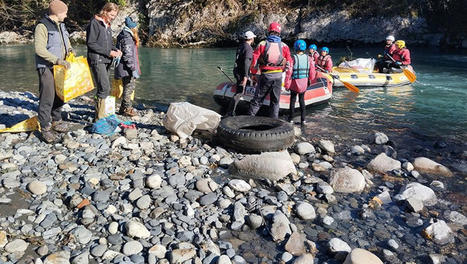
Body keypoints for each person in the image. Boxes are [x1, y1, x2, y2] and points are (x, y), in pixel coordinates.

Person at [34, 0, 73, 143]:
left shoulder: (61, 25)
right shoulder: (42, 26)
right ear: (57, 13)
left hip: (60, 68)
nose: (66, 15)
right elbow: (39, 49)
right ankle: (44, 127)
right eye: (65, 12)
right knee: (47, 97)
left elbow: (66, 42)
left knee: (60, 94)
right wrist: (57, 60)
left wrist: (70, 50)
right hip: (46, 67)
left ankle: (56, 120)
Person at [248, 22, 293, 119]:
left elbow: (254, 61)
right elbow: (289, 64)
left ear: (269, 31)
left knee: (257, 100)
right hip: (278, 76)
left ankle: (249, 119)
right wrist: (287, 80)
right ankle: (274, 122)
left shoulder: (262, 44)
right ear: (279, 32)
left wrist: (253, 74)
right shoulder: (284, 46)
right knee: (275, 102)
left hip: (266, 75)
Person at [86, 2, 122, 120]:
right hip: (97, 60)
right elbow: (91, 43)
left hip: (106, 60)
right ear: (105, 11)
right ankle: (99, 118)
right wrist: (109, 53)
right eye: (111, 15)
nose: (113, 17)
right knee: (104, 88)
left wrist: (117, 50)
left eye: (114, 15)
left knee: (104, 88)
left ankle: (100, 113)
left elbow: (110, 44)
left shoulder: (108, 25)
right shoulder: (94, 23)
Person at [114, 16, 141, 117]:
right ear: (132, 28)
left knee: (127, 86)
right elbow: (128, 54)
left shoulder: (124, 35)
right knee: (129, 87)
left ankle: (122, 109)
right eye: (136, 27)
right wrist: (132, 68)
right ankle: (127, 109)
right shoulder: (127, 37)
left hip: (123, 67)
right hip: (126, 68)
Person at [226, 30, 255, 116]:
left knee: (240, 91)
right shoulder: (248, 48)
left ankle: (233, 111)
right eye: (253, 38)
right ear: (251, 39)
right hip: (242, 73)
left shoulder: (241, 46)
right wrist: (246, 76)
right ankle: (230, 112)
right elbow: (246, 63)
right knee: (239, 93)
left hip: (237, 71)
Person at [288, 40, 316, 126]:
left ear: (295, 47)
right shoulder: (309, 58)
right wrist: (310, 79)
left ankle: (291, 119)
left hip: (294, 83)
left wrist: (287, 84)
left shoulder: (293, 58)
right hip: (304, 83)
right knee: (302, 100)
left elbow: (289, 72)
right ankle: (303, 119)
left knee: (292, 100)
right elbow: (312, 72)